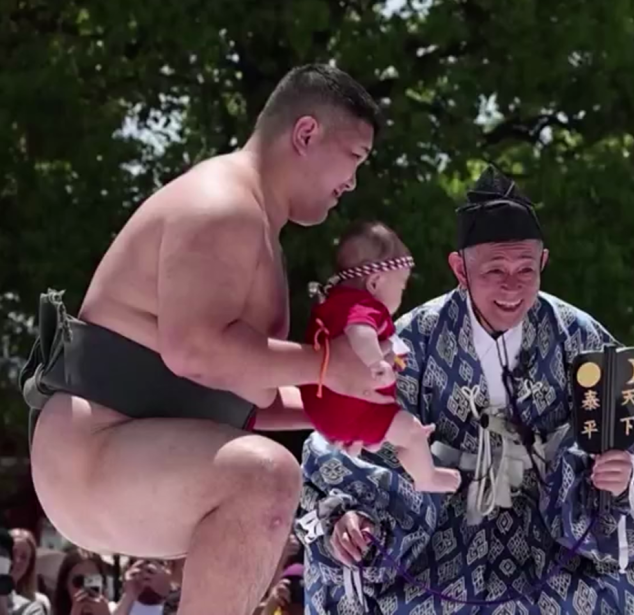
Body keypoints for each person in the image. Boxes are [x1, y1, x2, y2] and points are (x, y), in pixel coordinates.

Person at [22, 63, 391, 615]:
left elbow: (246, 393)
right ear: (306, 134)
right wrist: (327, 364)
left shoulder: (259, 230)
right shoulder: (222, 206)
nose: (353, 183)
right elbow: (194, 350)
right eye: (354, 158)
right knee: (265, 477)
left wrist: (352, 404)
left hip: (143, 450)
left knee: (263, 480)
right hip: (94, 450)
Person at [293, 166, 634, 614]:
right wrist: (348, 511)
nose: (513, 286)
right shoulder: (413, 339)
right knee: (344, 554)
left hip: (562, 514)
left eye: (526, 268)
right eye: (495, 269)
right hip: (444, 522)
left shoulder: (575, 333)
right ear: (460, 268)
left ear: (544, 262)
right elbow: (346, 431)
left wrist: (621, 465)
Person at [299, 220, 461, 492]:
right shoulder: (364, 306)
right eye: (402, 286)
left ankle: (415, 463)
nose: (402, 294)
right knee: (412, 433)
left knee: (403, 434)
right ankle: (426, 478)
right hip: (352, 406)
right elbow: (358, 330)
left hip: (321, 407)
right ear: (375, 282)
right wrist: (375, 361)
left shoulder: (333, 303)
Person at [9, 529, 51, 614]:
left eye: (23, 557)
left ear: (29, 566)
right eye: (12, 552)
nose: (17, 560)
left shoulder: (38, 603)